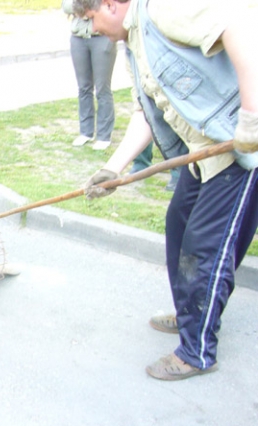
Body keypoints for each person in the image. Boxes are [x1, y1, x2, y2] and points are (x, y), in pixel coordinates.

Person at [74, 0, 258, 380]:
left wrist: (252, 118)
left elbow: (240, 23)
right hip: (202, 151)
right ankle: (191, 311)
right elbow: (145, 112)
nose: (91, 31)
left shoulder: (162, 10)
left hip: (238, 148)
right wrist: (112, 169)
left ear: (109, 4)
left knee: (204, 247)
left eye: (90, 19)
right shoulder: (134, 47)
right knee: (179, 226)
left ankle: (196, 352)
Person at [62, 0, 118, 150]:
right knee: (83, 88)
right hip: (79, 38)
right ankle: (86, 132)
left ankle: (104, 135)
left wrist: (82, 8)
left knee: (102, 89)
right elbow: (66, 5)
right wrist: (85, 7)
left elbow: (105, 7)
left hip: (102, 36)